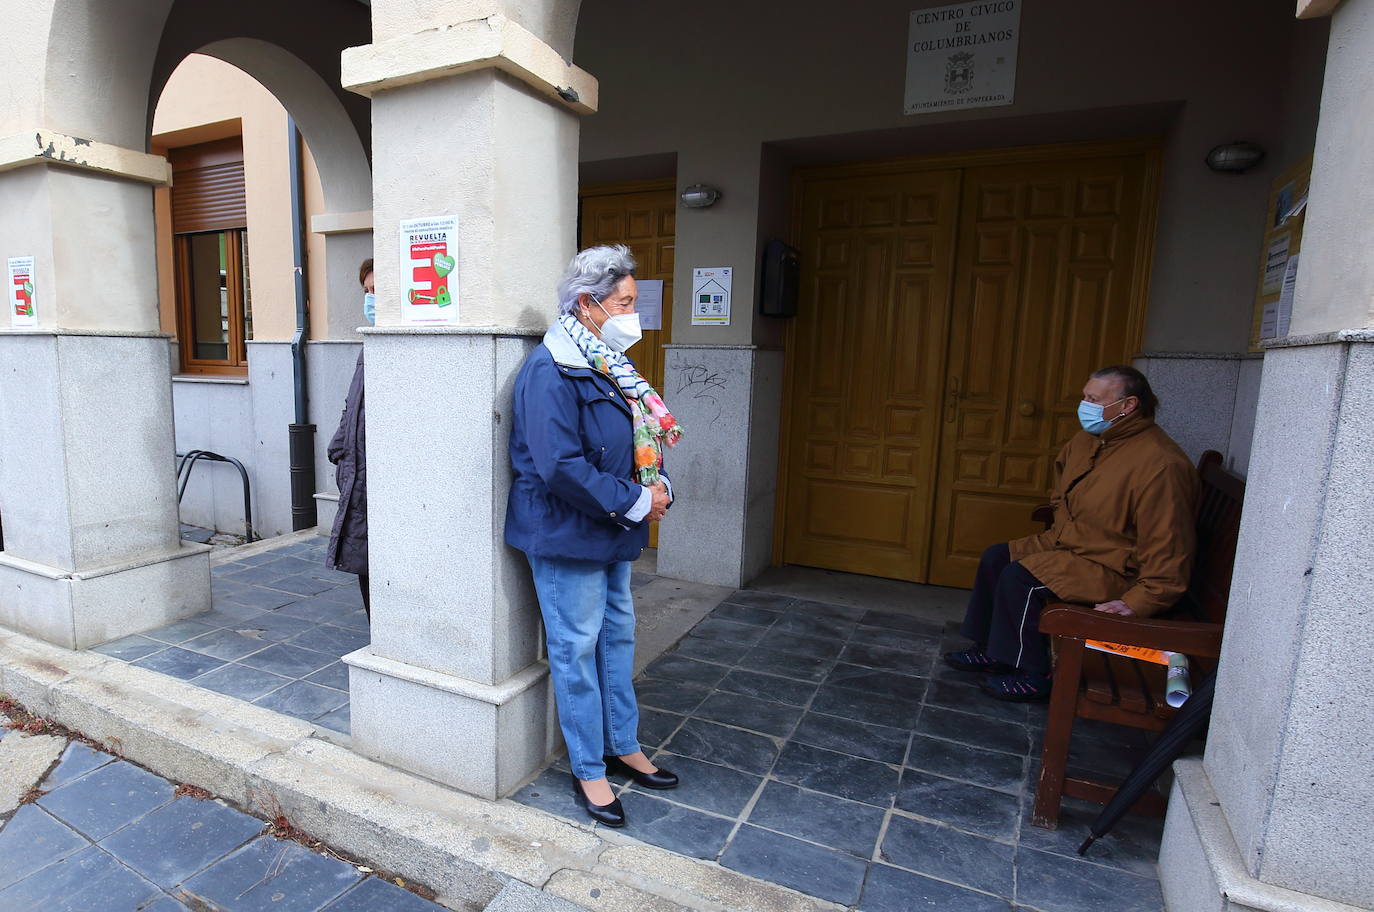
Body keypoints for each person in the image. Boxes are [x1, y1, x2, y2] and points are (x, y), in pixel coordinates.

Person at [505, 245, 684, 827]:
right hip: (566, 533)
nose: (634, 313)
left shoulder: (604, 361)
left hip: (608, 528)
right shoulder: (551, 369)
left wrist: (652, 490)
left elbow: (631, 441)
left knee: (617, 641)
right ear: (589, 304)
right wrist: (635, 500)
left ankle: (622, 743)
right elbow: (559, 466)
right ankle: (588, 768)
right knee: (576, 650)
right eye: (625, 302)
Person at [943, 366, 1199, 702]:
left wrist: (1141, 600)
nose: (1085, 406)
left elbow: (1169, 546)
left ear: (1128, 405)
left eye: (1093, 399)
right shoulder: (1090, 439)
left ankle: (1033, 673)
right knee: (997, 557)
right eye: (1084, 397)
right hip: (1070, 543)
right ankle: (992, 649)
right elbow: (1061, 489)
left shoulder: (1161, 464)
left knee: (1022, 578)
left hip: (1114, 567)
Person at [326, 259, 374, 620]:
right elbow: (352, 406)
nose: (371, 300)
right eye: (367, 292)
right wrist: (340, 452)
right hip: (359, 480)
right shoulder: (368, 348)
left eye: (378, 292)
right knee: (366, 568)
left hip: (377, 486)